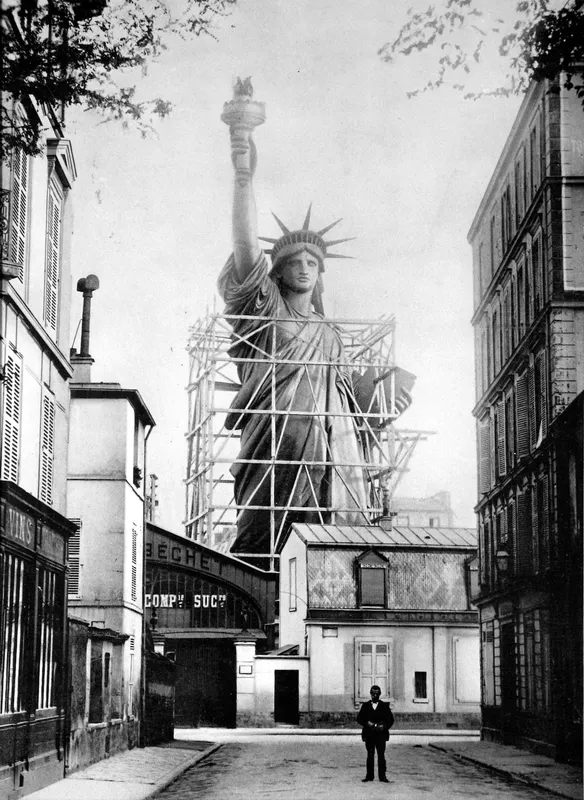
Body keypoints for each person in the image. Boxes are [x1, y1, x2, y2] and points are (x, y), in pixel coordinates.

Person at [218, 82, 369, 558]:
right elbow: (245, 247)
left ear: (320, 273)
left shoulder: (329, 334)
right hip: (271, 439)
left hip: (321, 449)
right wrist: (243, 167)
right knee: (260, 539)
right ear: (277, 271)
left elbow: (347, 404)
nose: (304, 266)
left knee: (316, 544)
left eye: (313, 262)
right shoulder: (267, 308)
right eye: (294, 260)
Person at [356, 685, 394, 782]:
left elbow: (390, 720)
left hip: (381, 735)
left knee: (381, 755)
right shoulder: (365, 706)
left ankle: (382, 777)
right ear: (370, 694)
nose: (375, 695)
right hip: (369, 735)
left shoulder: (384, 706)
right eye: (373, 694)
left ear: (380, 694)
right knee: (370, 755)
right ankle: (369, 776)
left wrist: (384, 726)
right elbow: (359, 718)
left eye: (377, 694)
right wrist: (367, 723)